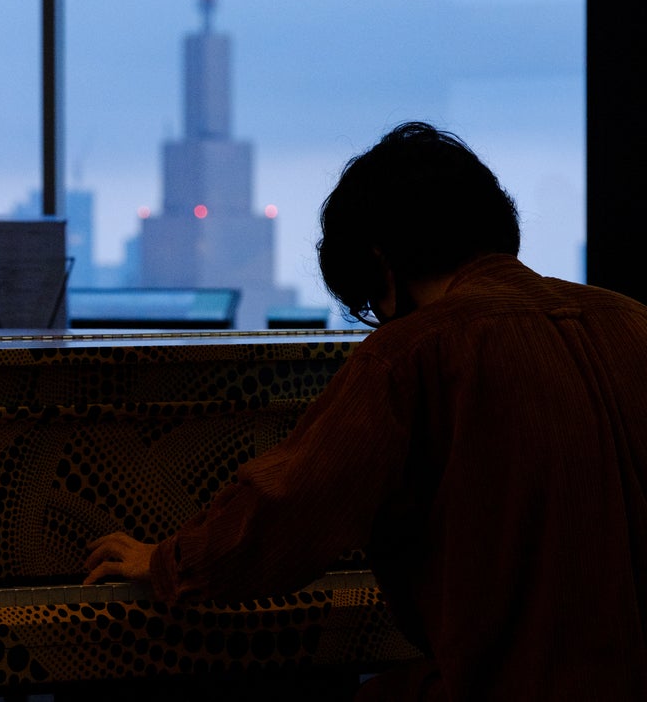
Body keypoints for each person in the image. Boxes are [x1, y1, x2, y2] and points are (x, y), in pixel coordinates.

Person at [84, 122, 647, 700]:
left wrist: (168, 561)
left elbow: (288, 511)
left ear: (381, 265)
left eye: (372, 304)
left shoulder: (407, 355)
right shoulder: (633, 322)